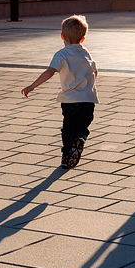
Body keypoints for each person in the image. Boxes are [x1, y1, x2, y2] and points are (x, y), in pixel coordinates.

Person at [22, 15, 99, 169]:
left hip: (70, 100)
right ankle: (79, 139)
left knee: (68, 128)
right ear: (83, 39)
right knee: (82, 127)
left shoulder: (61, 54)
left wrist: (32, 86)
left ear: (62, 36)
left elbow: (49, 72)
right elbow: (94, 72)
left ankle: (66, 156)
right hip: (88, 100)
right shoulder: (86, 53)